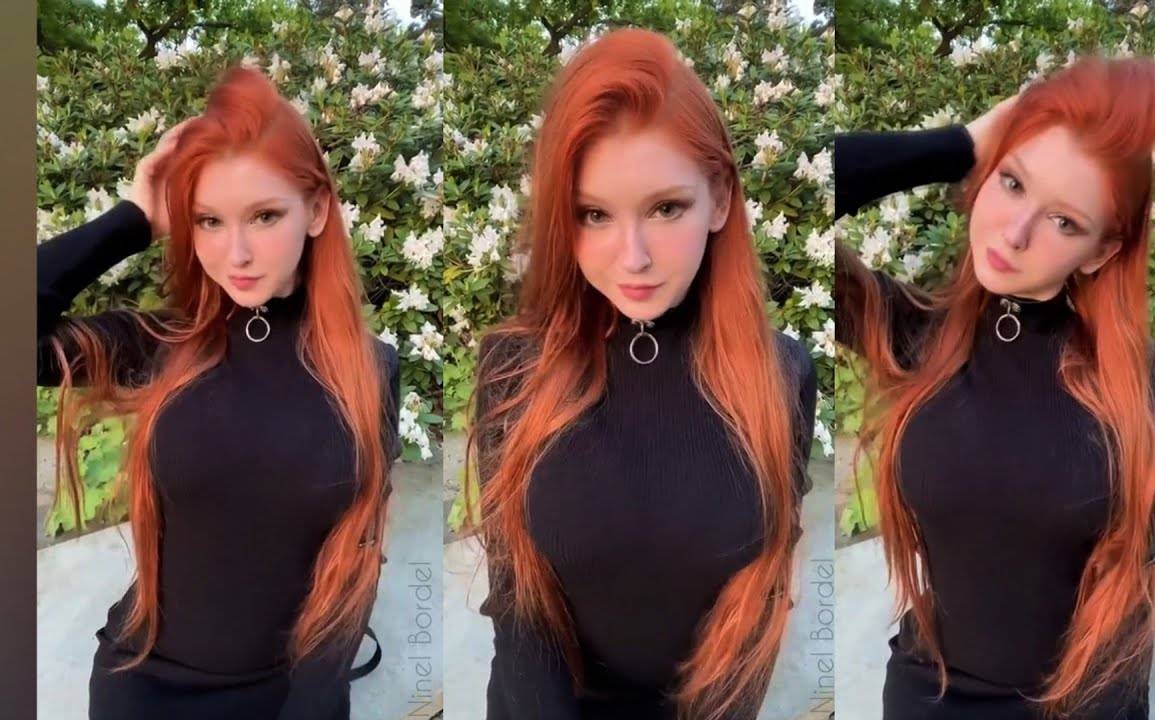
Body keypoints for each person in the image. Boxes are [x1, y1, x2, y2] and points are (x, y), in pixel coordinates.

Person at [462, 29, 818, 720]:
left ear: (719, 199)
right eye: (594, 215)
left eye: (665, 208)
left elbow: (759, 599)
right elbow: (519, 601)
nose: (633, 258)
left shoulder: (781, 374)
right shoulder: (514, 366)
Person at [37, 67, 400, 720]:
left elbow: (359, 552)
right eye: (208, 221)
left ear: (317, 210)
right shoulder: (167, 343)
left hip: (282, 692)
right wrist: (130, 220)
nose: (236, 254)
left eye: (264, 216)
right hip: (145, 685)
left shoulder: (370, 370)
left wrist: (316, 701)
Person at [833, 57, 1155, 720]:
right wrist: (957, 145)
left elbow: (1129, 572)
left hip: (1077, 699)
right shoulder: (918, 333)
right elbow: (791, 193)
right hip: (931, 694)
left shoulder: (1123, 371)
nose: (1014, 233)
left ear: (1102, 251)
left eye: (1064, 222)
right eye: (1013, 182)